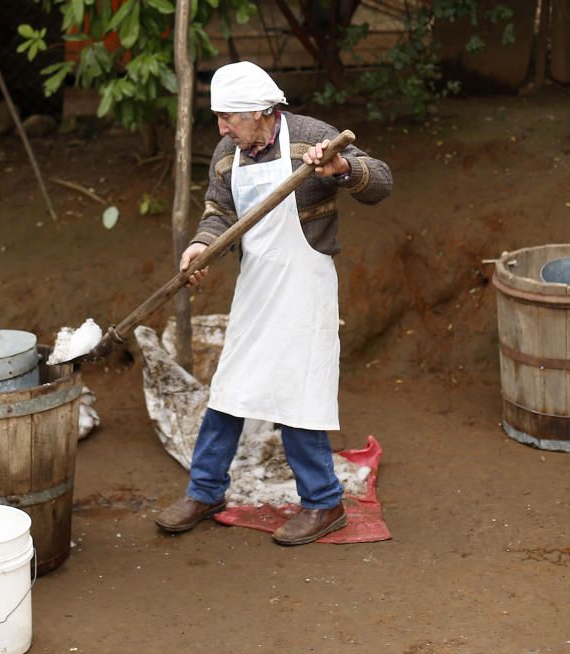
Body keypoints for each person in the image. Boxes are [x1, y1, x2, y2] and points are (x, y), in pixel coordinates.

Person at [155, 61, 392, 545]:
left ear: (263, 112)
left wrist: (343, 168)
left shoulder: (311, 138)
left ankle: (324, 504)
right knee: (230, 387)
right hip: (257, 284)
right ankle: (205, 491)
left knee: (297, 391)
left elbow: (382, 183)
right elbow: (219, 211)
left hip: (306, 284)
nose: (221, 128)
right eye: (219, 117)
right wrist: (203, 246)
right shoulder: (228, 153)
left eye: (230, 118)